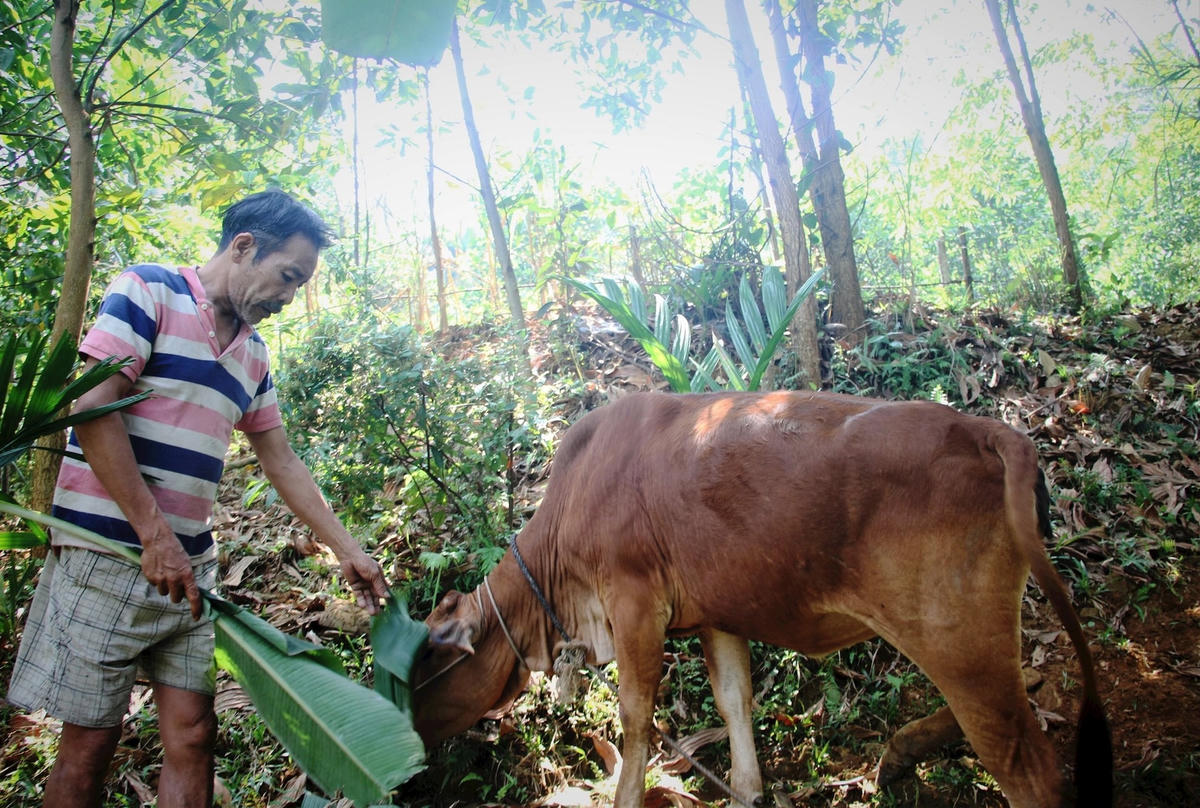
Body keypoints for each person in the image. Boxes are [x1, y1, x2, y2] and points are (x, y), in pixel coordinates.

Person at [5, 190, 390, 808]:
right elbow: (94, 407)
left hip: (190, 572)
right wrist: (154, 536)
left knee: (194, 734)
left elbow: (281, 460)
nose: (288, 297)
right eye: (288, 275)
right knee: (89, 746)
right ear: (244, 247)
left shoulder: (255, 356)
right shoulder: (148, 292)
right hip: (107, 555)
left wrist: (346, 548)